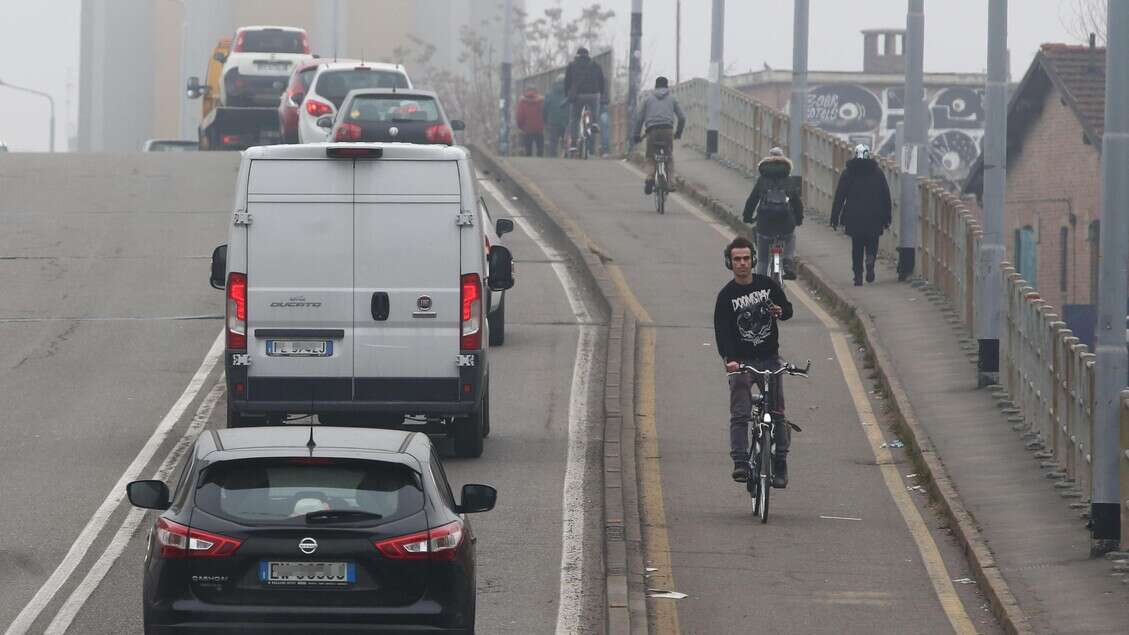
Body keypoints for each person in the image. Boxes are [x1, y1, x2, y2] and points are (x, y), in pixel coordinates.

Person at [713, 236, 795, 487]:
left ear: (753, 260)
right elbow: (722, 331)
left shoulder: (768, 285)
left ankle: (780, 462)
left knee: (778, 413)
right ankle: (740, 461)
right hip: (743, 362)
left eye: (746, 258)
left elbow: (788, 310)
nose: (742, 263)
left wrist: (780, 311)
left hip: (770, 359)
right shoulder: (726, 296)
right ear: (730, 262)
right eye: (737, 259)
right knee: (740, 414)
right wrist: (730, 361)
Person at [830, 144, 893, 286]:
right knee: (872, 242)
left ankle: (858, 276)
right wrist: (887, 216)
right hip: (874, 215)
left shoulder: (848, 173)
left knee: (857, 247)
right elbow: (885, 196)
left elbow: (840, 196)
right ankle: (870, 259)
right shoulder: (877, 173)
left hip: (854, 216)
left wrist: (834, 217)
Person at [742, 147, 803, 279]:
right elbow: (797, 204)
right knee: (790, 237)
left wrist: (747, 217)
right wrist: (798, 219)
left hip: (765, 225)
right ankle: (786, 262)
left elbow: (752, 200)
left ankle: (761, 287)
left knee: (763, 259)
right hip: (785, 224)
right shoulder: (789, 180)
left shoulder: (762, 180)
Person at [632, 77, 686, 195]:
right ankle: (671, 182)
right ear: (667, 87)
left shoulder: (647, 99)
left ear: (655, 87)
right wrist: (678, 132)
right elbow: (682, 118)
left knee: (651, 157)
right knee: (669, 157)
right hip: (667, 130)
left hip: (652, 131)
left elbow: (640, 119)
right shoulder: (672, 99)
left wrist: (636, 135)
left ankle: (650, 178)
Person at [564, 47, 607, 153]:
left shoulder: (572, 65)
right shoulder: (596, 65)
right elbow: (602, 81)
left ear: (577, 55)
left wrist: (568, 94)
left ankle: (573, 144)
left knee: (575, 119)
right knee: (594, 108)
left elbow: (567, 82)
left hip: (578, 96)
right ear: (588, 55)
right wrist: (601, 93)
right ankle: (595, 123)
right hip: (593, 94)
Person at [543, 76, 570, 157]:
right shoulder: (569, 93)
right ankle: (567, 158)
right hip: (566, 121)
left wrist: (545, 121)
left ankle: (552, 160)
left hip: (553, 122)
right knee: (566, 142)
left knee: (553, 142)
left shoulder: (549, 94)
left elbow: (544, 109)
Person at [515, 85, 545, 157]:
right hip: (539, 128)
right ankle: (541, 164)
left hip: (527, 128)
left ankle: (530, 164)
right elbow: (544, 113)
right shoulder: (541, 101)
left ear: (526, 91)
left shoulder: (522, 102)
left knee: (528, 150)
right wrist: (543, 124)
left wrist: (521, 126)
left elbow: (519, 116)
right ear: (536, 91)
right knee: (540, 149)